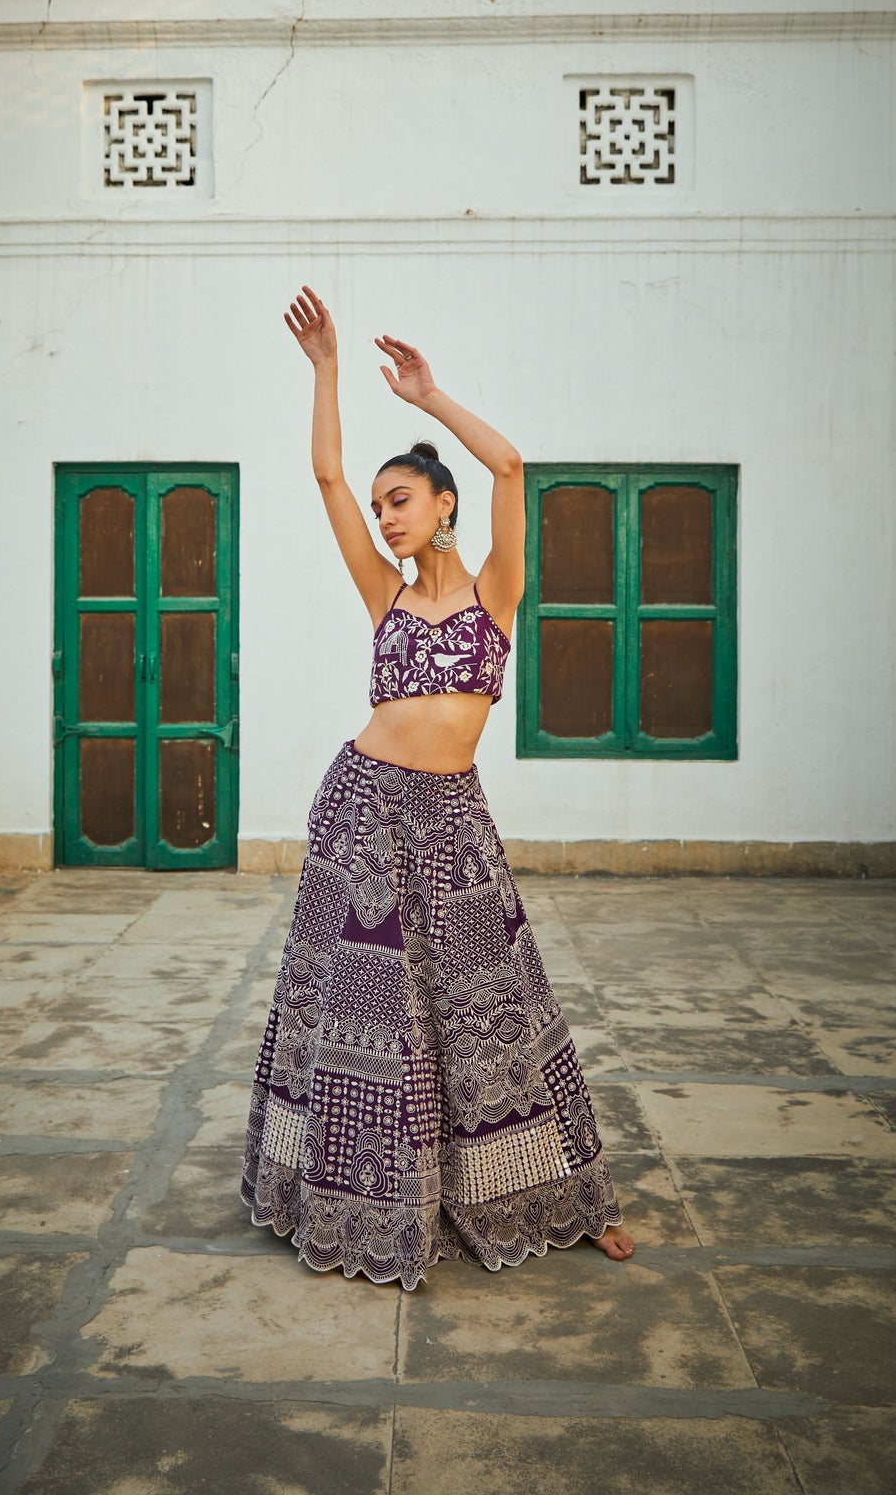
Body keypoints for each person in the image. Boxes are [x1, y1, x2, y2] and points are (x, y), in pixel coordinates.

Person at [239, 285, 635, 1289]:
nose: (386, 517)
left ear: (441, 502)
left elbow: (510, 464)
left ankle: (559, 1193)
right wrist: (327, 373)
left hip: (451, 819)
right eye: (382, 509)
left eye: (401, 500)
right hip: (361, 808)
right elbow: (326, 475)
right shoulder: (385, 597)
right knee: (360, 1012)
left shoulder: (496, 595)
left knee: (491, 1003)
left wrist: (428, 397)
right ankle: (349, 1198)